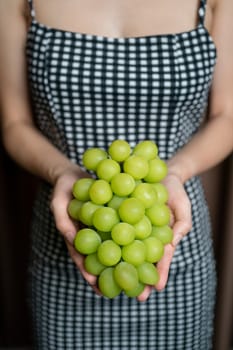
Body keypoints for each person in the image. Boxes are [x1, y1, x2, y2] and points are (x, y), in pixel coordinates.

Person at [0, 0, 232, 348]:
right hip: (66, 238)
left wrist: (176, 171)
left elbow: (227, 117)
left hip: (173, 244)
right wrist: (64, 171)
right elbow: (14, 124)